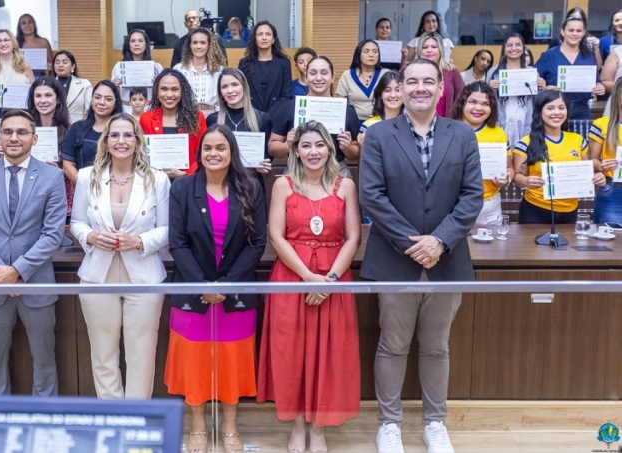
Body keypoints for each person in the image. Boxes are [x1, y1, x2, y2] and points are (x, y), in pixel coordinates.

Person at [359, 58, 483, 453]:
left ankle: (435, 422)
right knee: (393, 344)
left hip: (448, 259)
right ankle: (389, 424)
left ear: (440, 88)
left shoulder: (462, 135)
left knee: (437, 346)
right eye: (411, 81)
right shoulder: (378, 135)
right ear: (399, 88)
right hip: (395, 258)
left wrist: (440, 241)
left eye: (428, 81)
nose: (419, 88)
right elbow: (372, 196)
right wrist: (415, 243)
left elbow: (471, 196)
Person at [258, 120, 361, 453]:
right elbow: (275, 236)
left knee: (329, 354)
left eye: (320, 145)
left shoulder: (345, 185)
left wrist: (328, 281)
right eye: (306, 145)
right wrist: (307, 277)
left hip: (334, 277)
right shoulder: (283, 185)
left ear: (329, 149)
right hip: (292, 277)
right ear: (296, 150)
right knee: (293, 354)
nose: (313, 151)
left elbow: (353, 237)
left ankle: (319, 428)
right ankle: (298, 425)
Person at [166, 125, 266, 453]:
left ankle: (230, 427)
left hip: (235, 292)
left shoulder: (251, 186)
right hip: (192, 291)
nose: (213, 153)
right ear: (199, 154)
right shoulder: (182, 188)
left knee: (232, 360)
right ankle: (197, 427)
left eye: (220, 147)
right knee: (195, 361)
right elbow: (177, 243)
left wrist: (227, 285)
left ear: (231, 151)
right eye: (207, 148)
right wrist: (203, 285)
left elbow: (257, 244)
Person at [0, 108, 67, 397]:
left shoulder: (52, 176)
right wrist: (3, 272)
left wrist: (18, 270)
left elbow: (52, 234)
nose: (14, 137)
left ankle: (44, 415)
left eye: (22, 132)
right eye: (8, 131)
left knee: (44, 358)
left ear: (34, 138)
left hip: (36, 283)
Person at [70, 113, 170, 399]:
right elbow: (76, 222)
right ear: (106, 141)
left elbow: (167, 229)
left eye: (128, 135)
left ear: (138, 142)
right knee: (103, 354)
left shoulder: (158, 179)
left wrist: (139, 241)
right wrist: (90, 236)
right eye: (115, 135)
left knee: (141, 354)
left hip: (144, 275)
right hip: (96, 275)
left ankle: (138, 420)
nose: (121, 141)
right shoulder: (87, 176)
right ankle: (112, 420)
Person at [513, 90, 605, 224]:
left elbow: (588, 171)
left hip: (570, 211)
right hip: (535, 211)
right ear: (539, 112)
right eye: (550, 108)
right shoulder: (526, 142)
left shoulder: (578, 140)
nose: (557, 112)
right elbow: (517, 178)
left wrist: (598, 176)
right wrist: (526, 181)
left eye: (561, 108)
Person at [276, 57, 360, 169]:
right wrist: (288, 144)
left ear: (333, 77)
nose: (318, 78)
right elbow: (273, 147)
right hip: (298, 169)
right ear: (306, 78)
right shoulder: (290, 107)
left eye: (324, 73)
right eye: (313, 73)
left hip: (337, 170)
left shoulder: (346, 110)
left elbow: (355, 153)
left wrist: (347, 147)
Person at [451, 82, 513, 226]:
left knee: (493, 248)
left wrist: (506, 180)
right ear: (462, 103)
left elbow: (509, 168)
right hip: (455, 205)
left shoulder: (499, 133)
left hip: (490, 205)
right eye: (472, 102)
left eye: (485, 104)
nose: (478, 108)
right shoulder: (447, 129)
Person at [207, 68, 275, 178]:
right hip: (221, 182)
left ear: (244, 87)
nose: (229, 90)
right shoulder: (213, 120)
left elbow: (267, 155)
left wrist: (262, 163)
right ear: (220, 92)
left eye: (234, 84)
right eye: (224, 87)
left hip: (251, 184)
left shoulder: (262, 118)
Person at [140, 69, 207, 178]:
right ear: (157, 91)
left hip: (189, 180)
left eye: (175, 89)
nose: (169, 94)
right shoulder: (146, 119)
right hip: (155, 180)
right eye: (164, 89)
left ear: (182, 91)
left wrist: (185, 173)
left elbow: (204, 151)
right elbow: (141, 153)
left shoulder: (197, 118)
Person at [535, 16, 605, 121]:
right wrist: (544, 88)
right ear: (563, 32)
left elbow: (596, 80)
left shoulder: (589, 55)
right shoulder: (548, 55)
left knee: (581, 138)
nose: (575, 34)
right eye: (571, 30)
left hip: (581, 109)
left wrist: (600, 87)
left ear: (583, 33)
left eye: (579, 31)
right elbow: (533, 82)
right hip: (554, 109)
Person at [486, 34, 545, 147]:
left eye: (518, 45)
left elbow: (538, 102)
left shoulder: (531, 72)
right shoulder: (493, 72)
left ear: (523, 48)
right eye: (509, 45)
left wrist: (541, 87)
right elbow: (486, 100)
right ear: (504, 48)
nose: (514, 48)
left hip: (525, 122)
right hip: (501, 121)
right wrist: (490, 89)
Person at [27, 77, 73, 215]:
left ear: (58, 99)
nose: (43, 101)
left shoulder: (70, 131)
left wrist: (59, 170)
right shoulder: (24, 131)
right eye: (38, 96)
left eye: (48, 95)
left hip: (61, 198)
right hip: (30, 197)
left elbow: (77, 169)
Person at [63, 80, 123, 185]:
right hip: (84, 189)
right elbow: (68, 165)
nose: (101, 102)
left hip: (117, 190)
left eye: (108, 99)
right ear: (91, 100)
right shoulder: (77, 128)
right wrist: (87, 187)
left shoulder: (123, 130)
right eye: (97, 97)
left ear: (116, 102)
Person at [238, 21, 292, 118]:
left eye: (268, 34)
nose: (264, 38)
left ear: (273, 39)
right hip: (252, 116)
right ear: (255, 39)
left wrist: (269, 116)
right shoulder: (244, 63)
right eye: (260, 34)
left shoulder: (284, 63)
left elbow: (286, 96)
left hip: (277, 117)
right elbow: (242, 93)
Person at [590, 77, 622, 224]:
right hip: (613, 189)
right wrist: (602, 166)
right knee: (610, 236)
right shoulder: (602, 125)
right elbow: (592, 161)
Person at [174, 27, 226, 115]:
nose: (198, 46)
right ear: (190, 45)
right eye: (195, 43)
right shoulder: (179, 69)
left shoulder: (219, 70)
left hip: (213, 115)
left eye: (202, 43)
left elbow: (222, 98)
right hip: (187, 116)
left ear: (209, 45)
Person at [416, 31, 463, 117]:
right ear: (419, 50)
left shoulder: (452, 71)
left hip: (446, 127)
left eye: (434, 47)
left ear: (440, 50)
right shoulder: (409, 71)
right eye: (425, 47)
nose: (429, 50)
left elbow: (462, 99)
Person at [111, 29, 164, 106]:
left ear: (146, 44)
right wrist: (113, 86)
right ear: (128, 45)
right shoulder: (119, 67)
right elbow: (113, 94)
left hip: (149, 108)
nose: (136, 44)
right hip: (126, 109)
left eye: (140, 41)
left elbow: (164, 92)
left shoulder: (156, 67)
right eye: (133, 41)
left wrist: (158, 84)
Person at [337, 39, 385, 121]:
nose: (371, 55)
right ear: (358, 54)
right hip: (353, 122)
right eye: (366, 51)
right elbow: (339, 103)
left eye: (375, 52)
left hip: (379, 121)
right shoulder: (347, 75)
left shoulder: (385, 74)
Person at [359, 70, 403, 146]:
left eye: (397, 90)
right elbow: (363, 157)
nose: (393, 95)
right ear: (380, 95)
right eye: (387, 90)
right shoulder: (368, 125)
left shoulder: (413, 123)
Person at [52, 50, 92, 123]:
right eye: (57, 62)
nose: (60, 65)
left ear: (73, 66)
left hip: (76, 126)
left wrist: (84, 126)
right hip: (54, 127)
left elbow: (90, 110)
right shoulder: (47, 84)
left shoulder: (85, 84)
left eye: (65, 62)